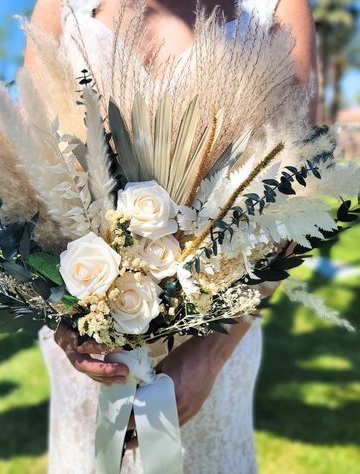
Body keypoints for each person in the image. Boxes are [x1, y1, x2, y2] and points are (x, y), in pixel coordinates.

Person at [24, 1, 318, 472]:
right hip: (89, 345)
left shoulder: (279, 5)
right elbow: (31, 162)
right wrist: (63, 314)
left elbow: (296, 185)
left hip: (219, 336)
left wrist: (211, 353)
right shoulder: (60, 4)